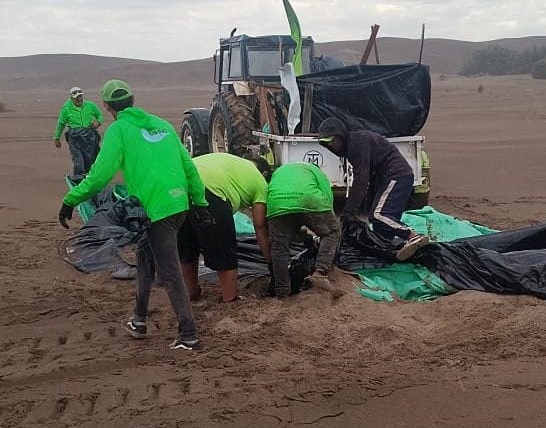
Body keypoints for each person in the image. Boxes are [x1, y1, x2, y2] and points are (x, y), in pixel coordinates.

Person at [58, 79, 210, 351]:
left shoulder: (119, 130)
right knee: (144, 255)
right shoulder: (162, 124)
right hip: (179, 203)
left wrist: (71, 199)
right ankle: (139, 320)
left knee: (170, 271)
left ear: (106, 106)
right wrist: (199, 201)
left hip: (157, 210)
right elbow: (189, 167)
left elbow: (99, 176)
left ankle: (189, 335)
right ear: (133, 99)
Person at [317, 117, 429, 261]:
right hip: (389, 178)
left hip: (396, 175)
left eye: (333, 140)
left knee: (378, 215)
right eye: (327, 143)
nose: (332, 145)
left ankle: (413, 236)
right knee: (379, 229)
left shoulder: (357, 143)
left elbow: (361, 180)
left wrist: (348, 212)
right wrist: (367, 200)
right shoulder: (352, 147)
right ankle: (393, 251)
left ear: (341, 135)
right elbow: (369, 176)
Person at [178, 153, 272, 303]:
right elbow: (260, 226)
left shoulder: (231, 161)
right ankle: (230, 298)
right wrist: (270, 261)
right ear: (265, 174)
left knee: (187, 244)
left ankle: (191, 292)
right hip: (210, 191)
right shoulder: (261, 182)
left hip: (178, 184)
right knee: (224, 249)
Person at [266, 162, 341, 299]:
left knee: (279, 248)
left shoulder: (280, 171)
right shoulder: (318, 173)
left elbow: (292, 218)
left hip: (277, 203)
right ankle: (320, 273)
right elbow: (327, 202)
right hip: (309, 199)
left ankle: (282, 291)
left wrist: (303, 236)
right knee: (332, 232)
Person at [53, 86, 103, 177]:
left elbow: (100, 115)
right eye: (76, 97)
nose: (79, 99)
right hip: (75, 138)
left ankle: (92, 178)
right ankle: (79, 179)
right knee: (79, 161)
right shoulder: (66, 109)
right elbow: (61, 124)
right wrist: (57, 138)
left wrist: (98, 122)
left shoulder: (90, 105)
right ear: (72, 98)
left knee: (92, 159)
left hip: (89, 136)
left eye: (80, 96)